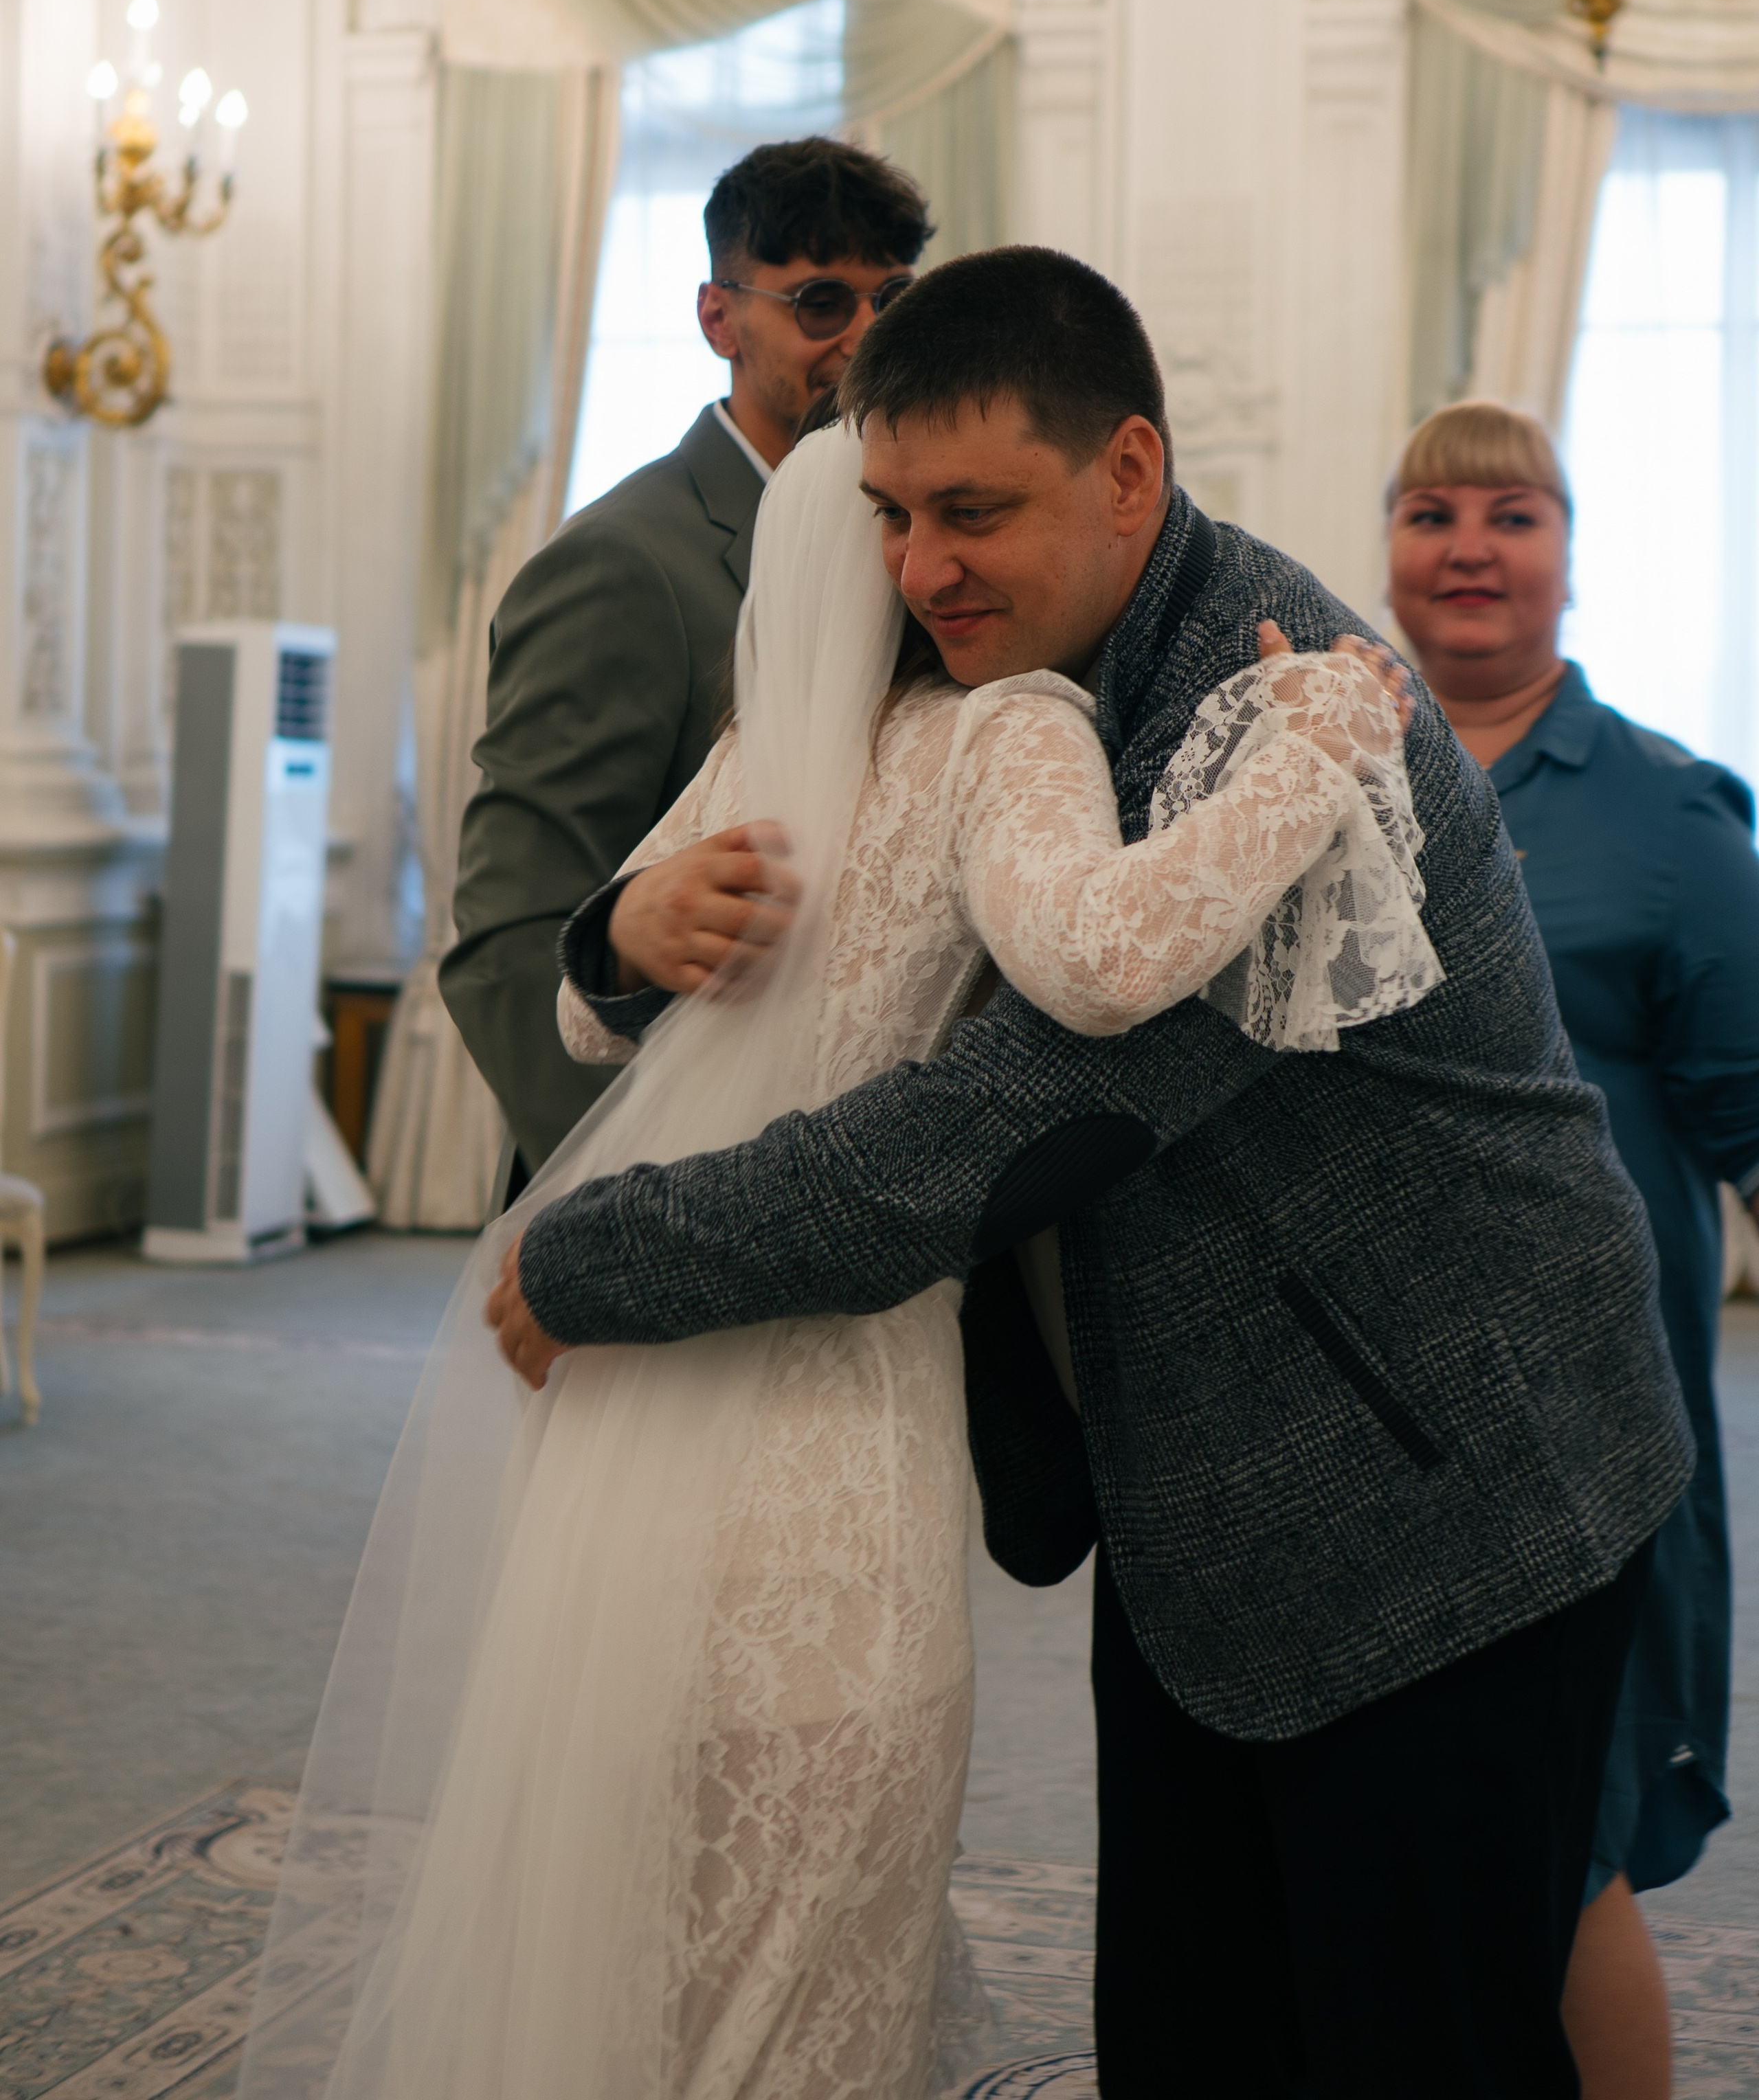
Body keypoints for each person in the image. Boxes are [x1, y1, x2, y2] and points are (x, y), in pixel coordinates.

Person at [491, 247, 1693, 2100]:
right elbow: (809, 923)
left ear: (1130, 472)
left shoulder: (1280, 716)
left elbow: (1020, 1111)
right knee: (1202, 2042)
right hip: (1210, 1506)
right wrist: (613, 938)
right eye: (891, 514)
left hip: (1447, 1491)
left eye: (976, 513)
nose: (920, 570)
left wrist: (600, 1256)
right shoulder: (1009, 682)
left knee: (1414, 2044)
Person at [240, 403, 1426, 2100]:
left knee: (639, 1909)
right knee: (809, 1939)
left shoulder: (760, 752)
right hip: (824, 1417)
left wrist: (613, 941)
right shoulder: (1004, 728)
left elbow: (588, 1026)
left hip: (638, 1413)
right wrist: (1313, 748)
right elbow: (1097, 960)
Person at [1386, 398, 1759, 2100]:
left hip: (1584, 1435)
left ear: (1566, 555)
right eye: (1432, 510)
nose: (1468, 546)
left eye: (1511, 514)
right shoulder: (1300, 786)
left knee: (1569, 1856)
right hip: (1355, 1429)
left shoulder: (1674, 823)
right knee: (1399, 1863)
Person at [440, 134, 930, 1179]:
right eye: (820, 303)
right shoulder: (624, 564)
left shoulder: (922, 543)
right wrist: (640, 1207)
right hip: (671, 1176)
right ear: (722, 318)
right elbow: (510, 940)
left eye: (891, 298)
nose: (864, 336)